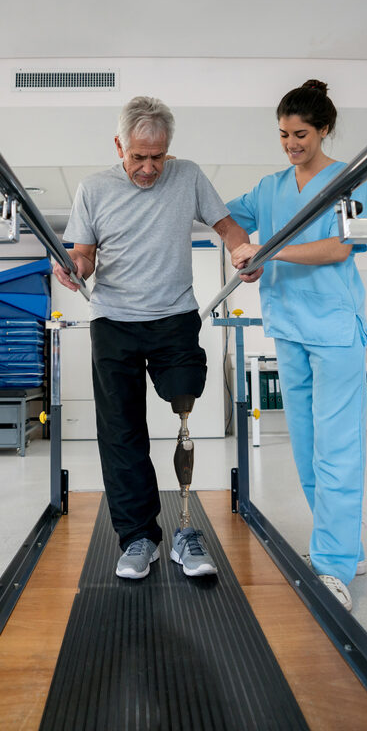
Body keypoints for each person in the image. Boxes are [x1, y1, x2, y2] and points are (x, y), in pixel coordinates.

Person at [53, 95, 257, 581]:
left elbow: (226, 225)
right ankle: (139, 537)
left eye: (157, 157)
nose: (149, 168)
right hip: (114, 321)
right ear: (119, 145)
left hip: (174, 317)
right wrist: (74, 268)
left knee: (186, 405)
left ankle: (186, 530)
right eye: (138, 157)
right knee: (122, 434)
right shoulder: (93, 188)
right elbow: (85, 255)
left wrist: (241, 248)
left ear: (169, 149)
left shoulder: (187, 175)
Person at [227, 79, 367, 611]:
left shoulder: (348, 179)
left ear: (324, 129)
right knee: (308, 450)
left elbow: (338, 247)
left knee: (337, 449)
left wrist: (269, 249)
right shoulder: (268, 188)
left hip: (333, 331)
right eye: (284, 134)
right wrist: (241, 248)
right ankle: (343, 548)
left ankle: (332, 564)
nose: (291, 143)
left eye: (301, 133)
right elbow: (225, 216)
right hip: (287, 328)